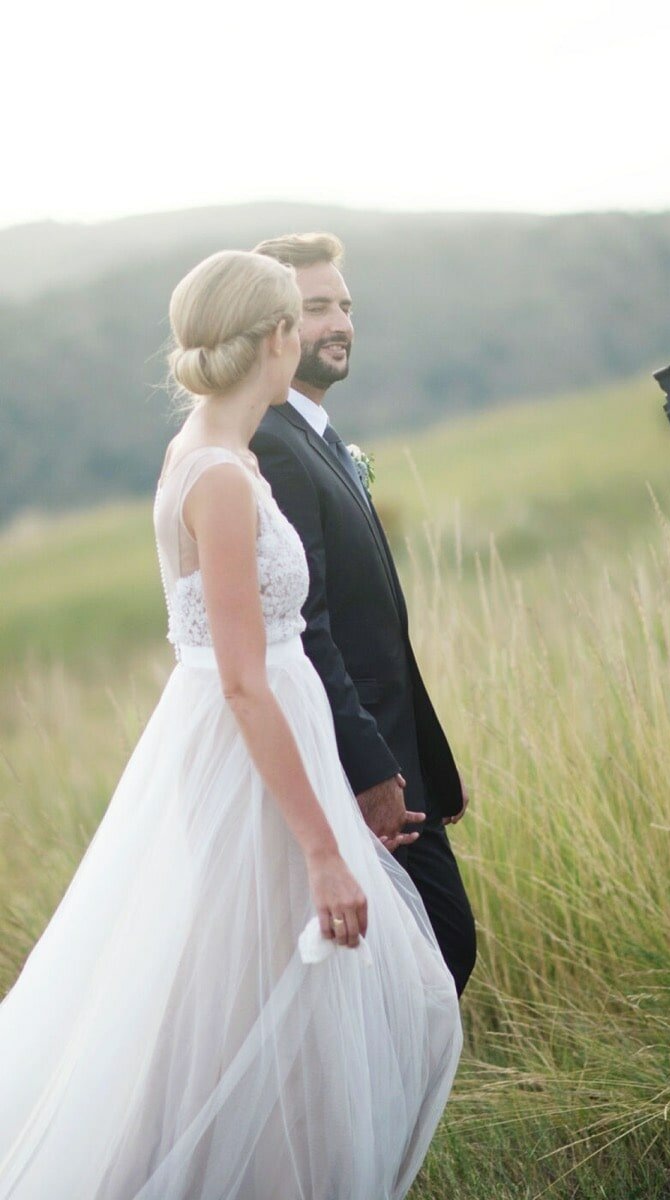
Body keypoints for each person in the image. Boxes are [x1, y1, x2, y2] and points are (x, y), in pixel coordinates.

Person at [0, 250, 461, 1198]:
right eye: (304, 317)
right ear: (275, 338)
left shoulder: (227, 454)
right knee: (290, 998)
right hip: (254, 761)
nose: (319, 330)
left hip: (271, 743)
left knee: (288, 1004)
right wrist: (323, 850)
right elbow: (245, 683)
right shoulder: (216, 473)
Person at [249, 233, 476, 996]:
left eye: (345, 305)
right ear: (271, 324)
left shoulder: (320, 436)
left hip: (397, 758)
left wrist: (429, 762)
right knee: (436, 953)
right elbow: (309, 630)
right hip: (353, 768)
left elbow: (379, 631)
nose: (340, 322)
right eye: (316, 308)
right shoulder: (272, 447)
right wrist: (376, 771)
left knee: (431, 963)